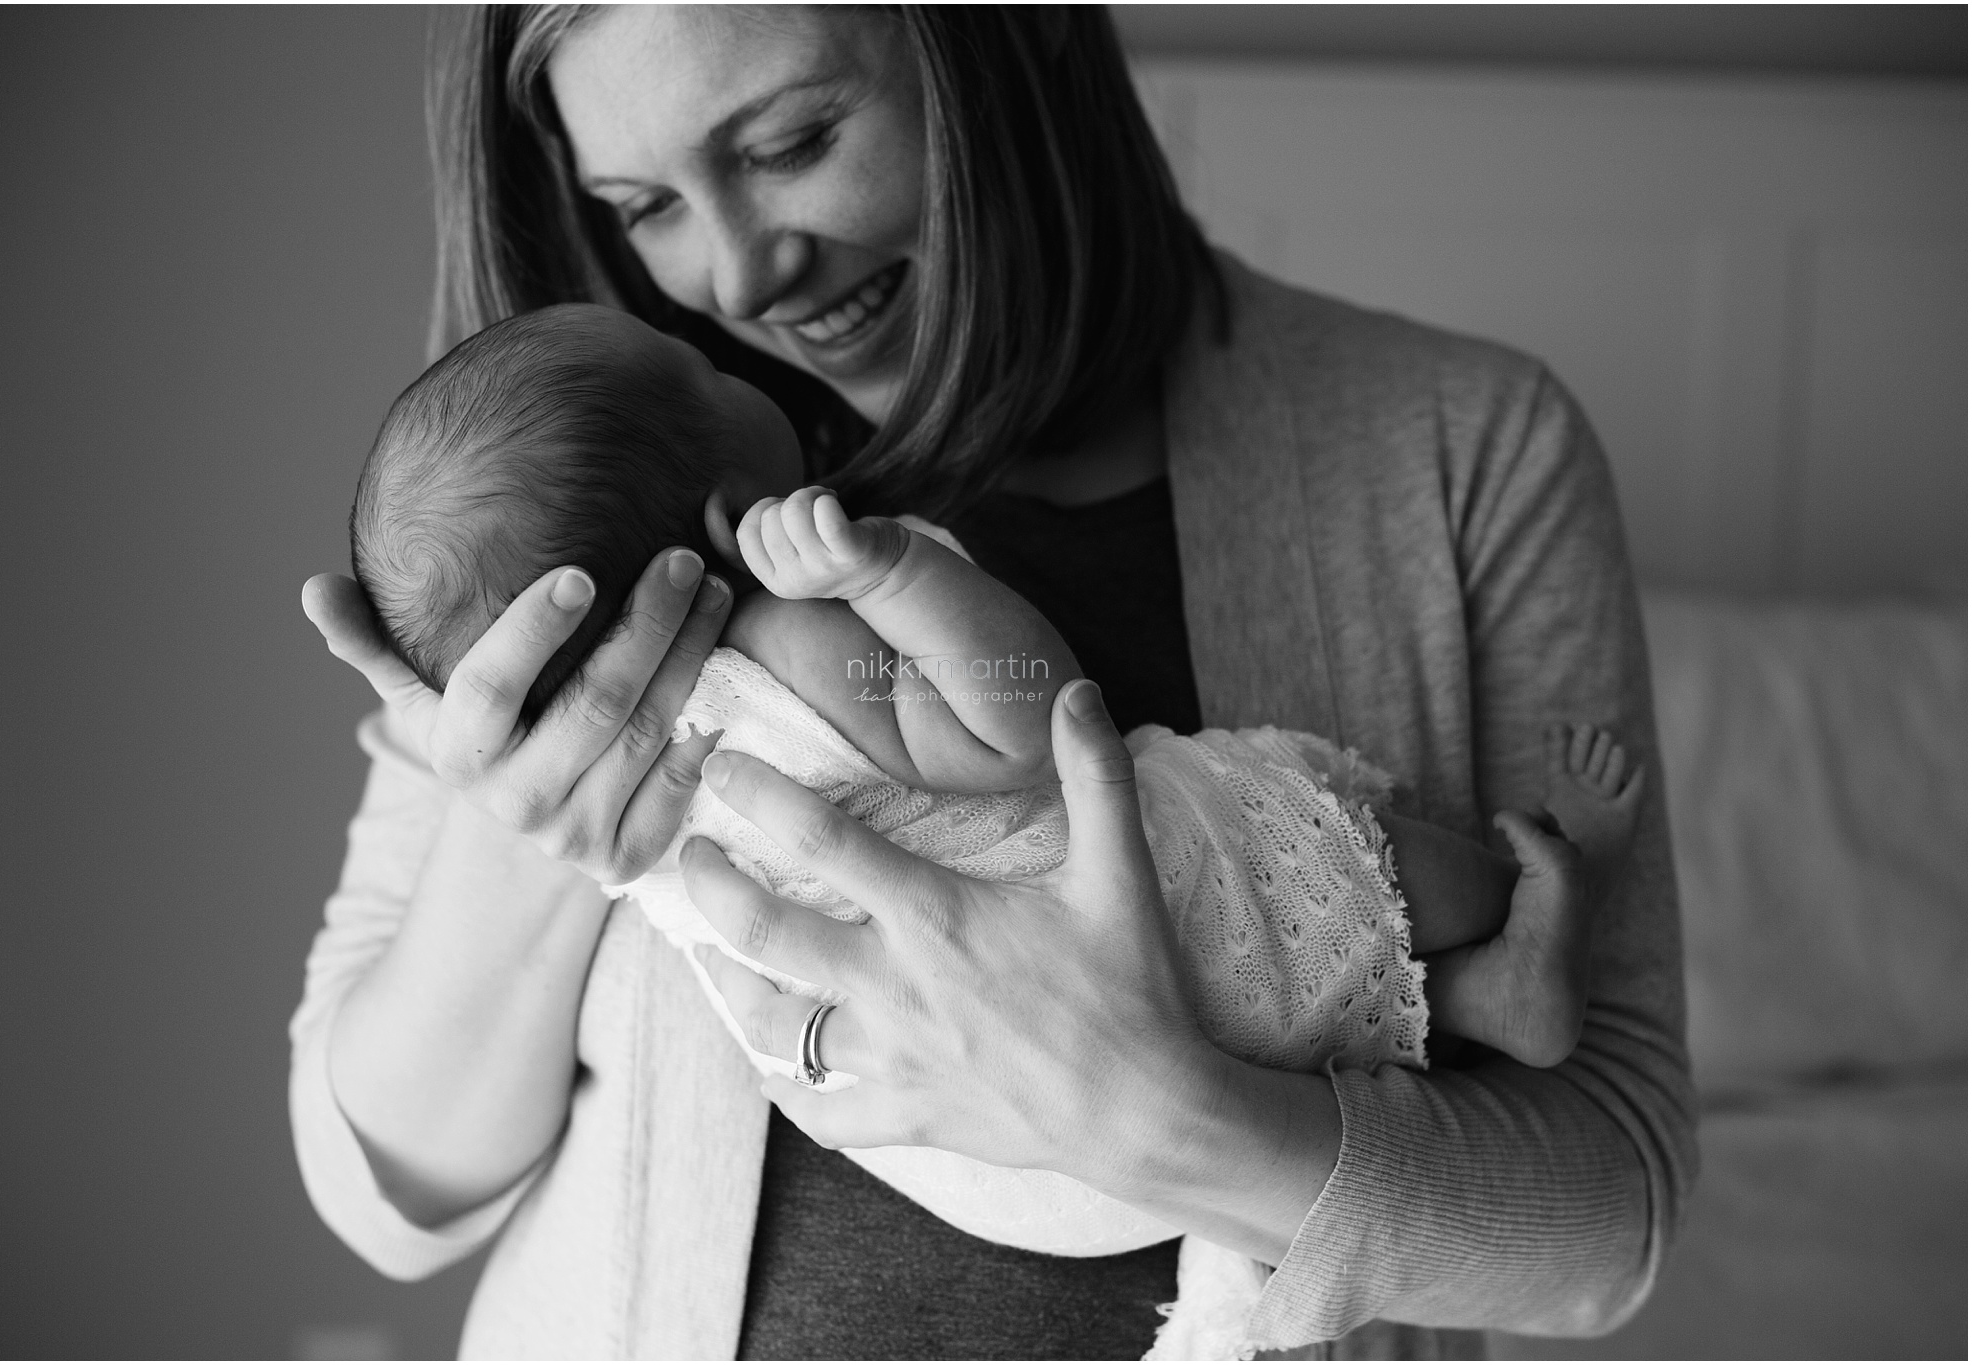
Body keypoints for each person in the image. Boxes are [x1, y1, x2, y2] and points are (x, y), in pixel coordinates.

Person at [294, 7, 1695, 1359]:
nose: (733, 278)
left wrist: (1167, 1114)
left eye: (790, 141)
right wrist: (523, 830)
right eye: (643, 205)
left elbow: (1613, 1207)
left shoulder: (1461, 448)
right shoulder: (563, 548)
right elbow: (383, 1199)